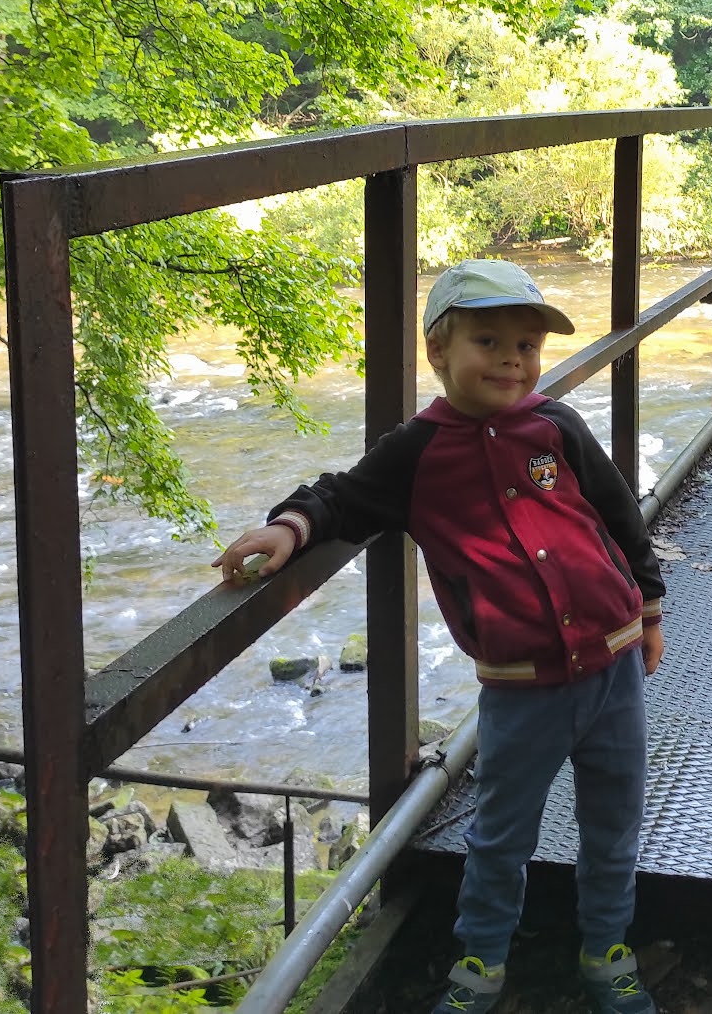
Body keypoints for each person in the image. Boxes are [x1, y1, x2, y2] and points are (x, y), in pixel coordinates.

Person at [213, 259, 666, 1014]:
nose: (512, 360)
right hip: (523, 689)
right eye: (488, 341)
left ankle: (607, 947)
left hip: (615, 664)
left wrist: (650, 606)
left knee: (614, 820)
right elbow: (342, 497)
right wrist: (289, 527)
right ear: (438, 352)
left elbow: (619, 515)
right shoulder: (417, 452)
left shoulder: (557, 425)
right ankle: (481, 962)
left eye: (525, 345)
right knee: (501, 835)